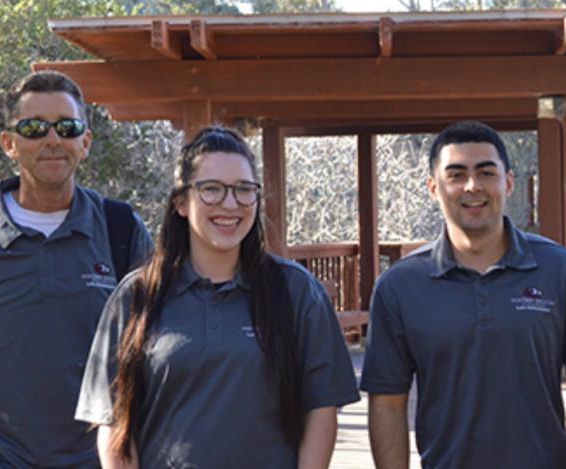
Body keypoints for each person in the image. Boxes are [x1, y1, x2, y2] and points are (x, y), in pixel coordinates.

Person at [0, 70, 154, 468]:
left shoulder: (122, 231)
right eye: (35, 127)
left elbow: (154, 357)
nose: (53, 139)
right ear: (9, 143)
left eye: (68, 127)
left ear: (85, 142)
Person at [75, 127, 359, 469]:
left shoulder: (295, 291)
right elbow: (114, 423)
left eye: (244, 190)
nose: (230, 203)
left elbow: (321, 410)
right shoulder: (138, 295)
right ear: (181, 202)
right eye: (211, 189)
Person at [362, 120, 566, 469]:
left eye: (486, 173)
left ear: (508, 181)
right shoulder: (400, 286)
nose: (472, 187)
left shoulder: (562, 271)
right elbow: (387, 403)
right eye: (456, 175)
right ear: (433, 188)